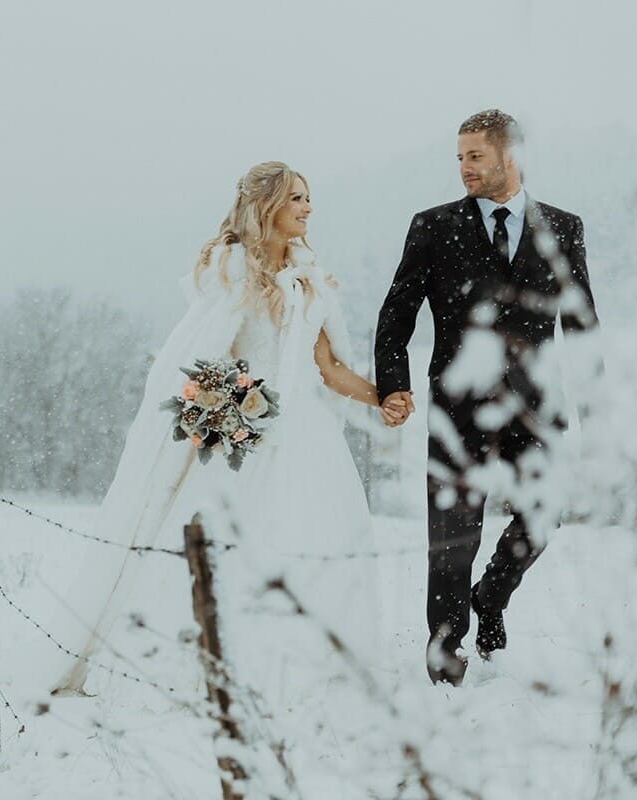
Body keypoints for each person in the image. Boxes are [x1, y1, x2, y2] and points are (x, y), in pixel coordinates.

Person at [47, 162, 393, 698]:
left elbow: (328, 368)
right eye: (296, 198)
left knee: (312, 537)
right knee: (234, 546)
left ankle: (309, 665)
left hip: (311, 439)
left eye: (308, 198)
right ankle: (216, 659)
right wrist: (226, 406)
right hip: (246, 437)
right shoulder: (232, 273)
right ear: (267, 205)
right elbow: (206, 357)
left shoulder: (309, 279)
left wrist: (383, 398)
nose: (307, 207)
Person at [374, 109, 599, 686]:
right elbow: (397, 312)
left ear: (510, 155)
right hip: (458, 408)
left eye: (475, 156)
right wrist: (394, 383)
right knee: (452, 536)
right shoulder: (432, 226)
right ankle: (445, 664)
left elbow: (580, 324)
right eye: (460, 157)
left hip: (537, 408)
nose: (464, 167)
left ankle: (490, 596)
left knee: (542, 516)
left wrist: (597, 407)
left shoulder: (563, 228)